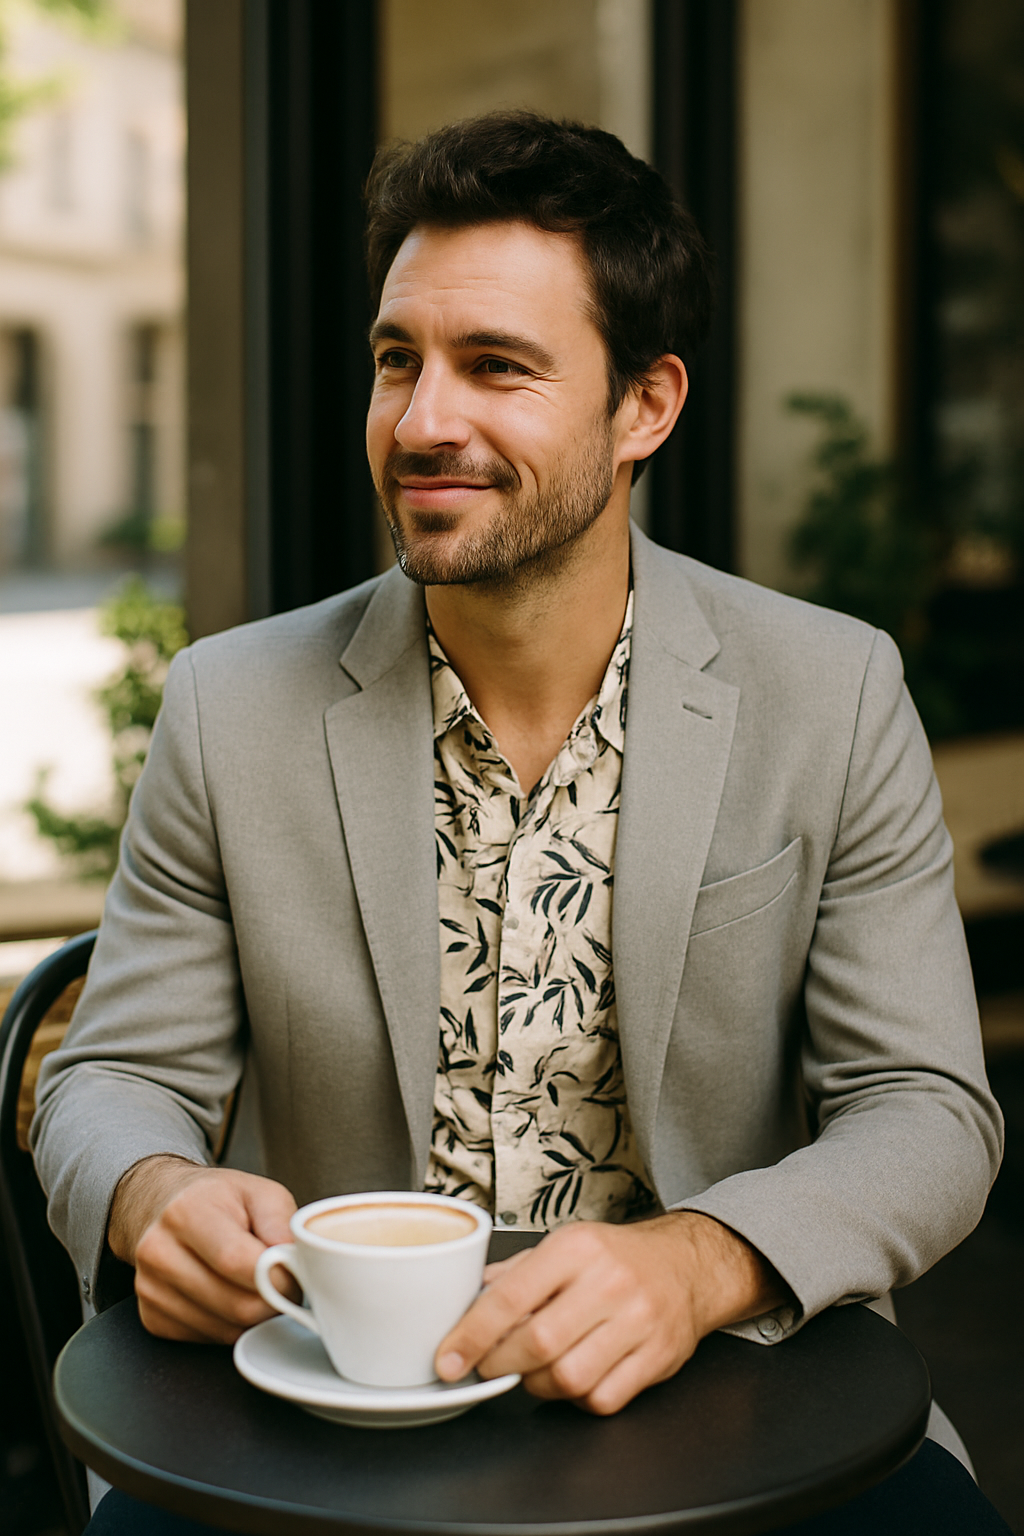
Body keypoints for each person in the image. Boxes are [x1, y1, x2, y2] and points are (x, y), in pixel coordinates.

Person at [34, 112, 1009, 1533]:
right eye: (398, 360)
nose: (423, 420)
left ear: (645, 407)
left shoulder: (834, 693)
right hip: (322, 1409)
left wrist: (701, 1262)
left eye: (497, 365)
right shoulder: (227, 708)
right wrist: (149, 1191)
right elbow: (112, 1075)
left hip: (728, 1388)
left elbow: (925, 1110)